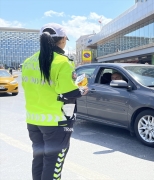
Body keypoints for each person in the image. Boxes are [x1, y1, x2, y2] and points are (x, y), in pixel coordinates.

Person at [22, 23, 89, 180]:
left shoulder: (28, 62)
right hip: (56, 122)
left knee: (38, 158)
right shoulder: (62, 62)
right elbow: (69, 92)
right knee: (53, 164)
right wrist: (83, 90)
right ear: (63, 39)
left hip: (33, 120)